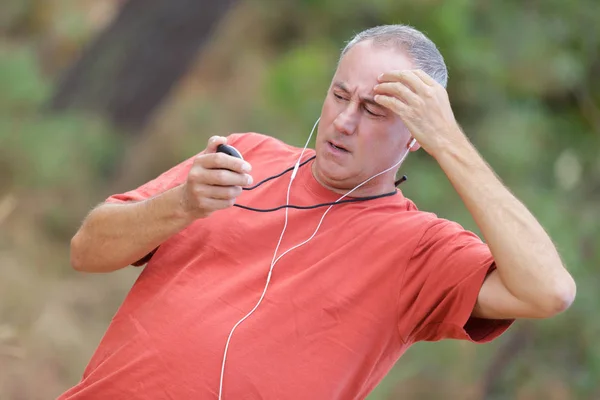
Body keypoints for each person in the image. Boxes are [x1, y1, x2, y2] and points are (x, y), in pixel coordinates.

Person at [59, 24, 576, 400]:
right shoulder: (244, 156)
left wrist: (452, 144)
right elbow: (86, 250)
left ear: (419, 134)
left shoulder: (421, 250)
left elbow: (549, 290)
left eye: (374, 110)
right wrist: (182, 204)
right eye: (340, 96)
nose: (345, 121)